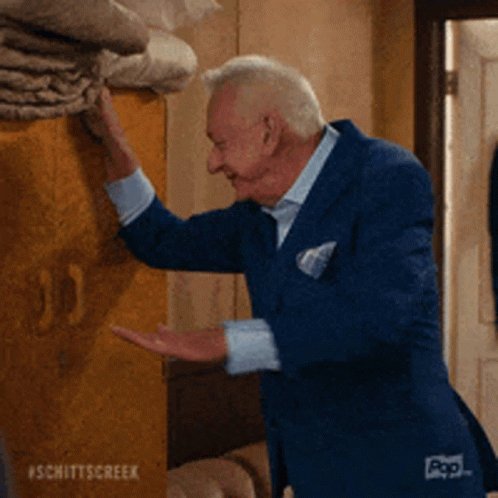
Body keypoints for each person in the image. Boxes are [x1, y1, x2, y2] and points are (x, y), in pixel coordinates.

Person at [83, 55, 491, 497]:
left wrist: (229, 341)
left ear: (269, 131)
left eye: (220, 143)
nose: (212, 163)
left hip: (410, 468)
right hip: (318, 473)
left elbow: (381, 317)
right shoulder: (257, 215)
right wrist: (114, 142)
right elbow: (163, 241)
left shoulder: (386, 176)